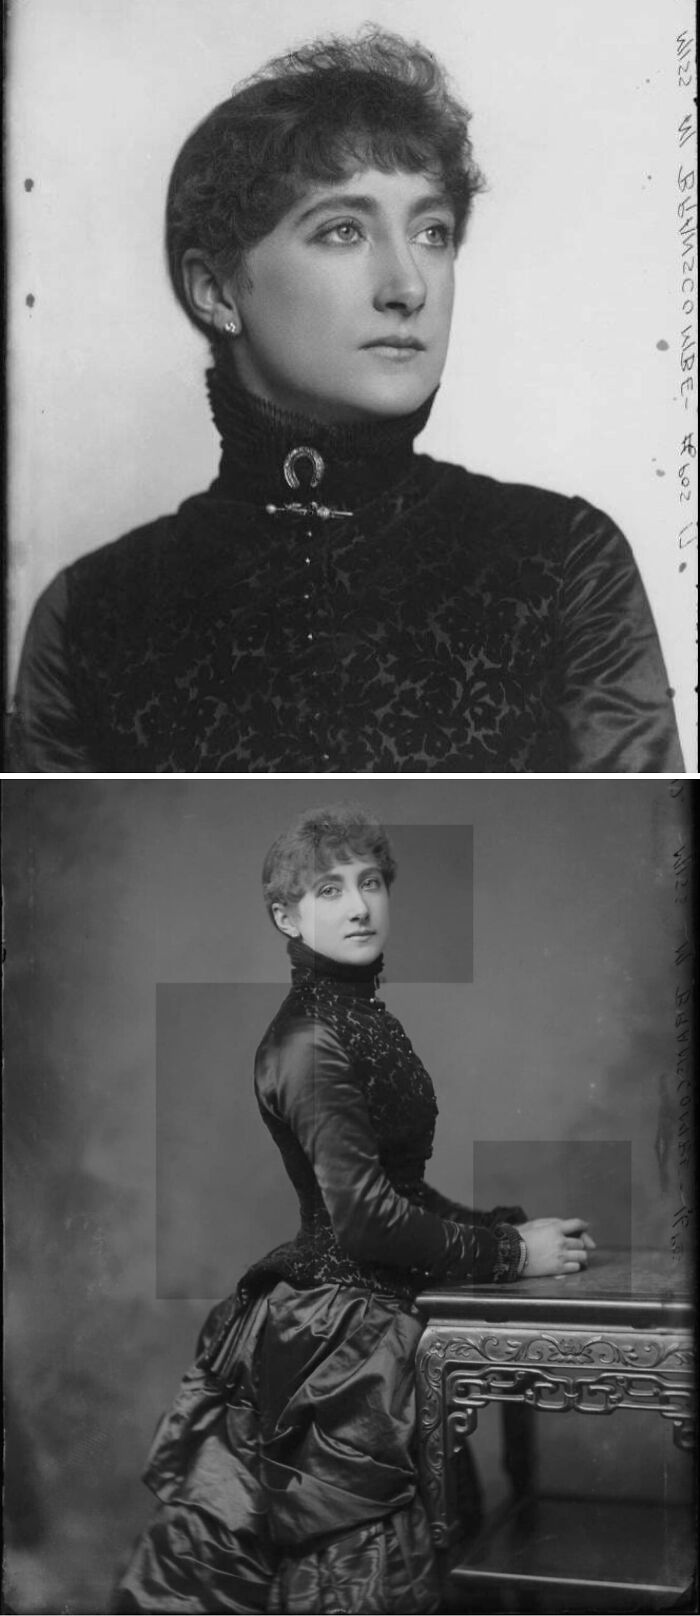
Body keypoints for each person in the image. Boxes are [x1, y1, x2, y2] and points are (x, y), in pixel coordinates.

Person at [9, 29, 684, 774]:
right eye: (342, 230)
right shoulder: (90, 615)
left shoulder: (561, 562)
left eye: (432, 231)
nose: (409, 286)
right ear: (217, 290)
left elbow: (635, 874)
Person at [112, 803, 595, 1614]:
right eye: (329, 890)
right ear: (286, 915)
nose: (360, 906)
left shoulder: (360, 1017)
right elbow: (367, 1221)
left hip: (378, 1311)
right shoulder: (307, 1041)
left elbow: (397, 1191)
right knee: (361, 1551)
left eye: (370, 883)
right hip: (343, 1336)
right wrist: (513, 1258)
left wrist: (501, 1232)